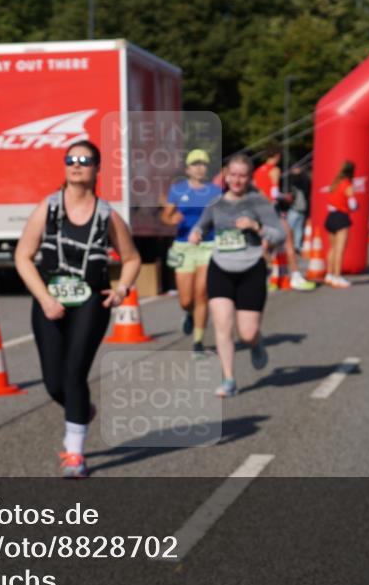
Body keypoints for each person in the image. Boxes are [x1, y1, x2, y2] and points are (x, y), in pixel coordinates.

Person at [14, 140, 141, 478]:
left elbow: (131, 259)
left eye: (85, 160)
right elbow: (23, 256)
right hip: (49, 299)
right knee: (54, 383)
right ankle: (82, 409)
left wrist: (121, 291)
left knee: (74, 374)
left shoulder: (106, 215)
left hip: (90, 301)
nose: (77, 165)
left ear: (97, 169)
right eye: (71, 159)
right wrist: (44, 298)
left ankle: (75, 454)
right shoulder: (48, 208)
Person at [189, 154, 284, 398]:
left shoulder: (259, 202)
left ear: (249, 177)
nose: (237, 180)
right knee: (222, 325)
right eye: (233, 175)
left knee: (247, 333)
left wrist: (256, 227)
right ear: (226, 175)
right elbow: (203, 224)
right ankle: (229, 378)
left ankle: (255, 342)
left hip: (251, 267)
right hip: (221, 268)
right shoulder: (216, 202)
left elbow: (279, 235)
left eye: (242, 175)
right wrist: (197, 233)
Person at [160, 149, 221, 354]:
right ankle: (188, 313)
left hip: (208, 246)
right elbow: (165, 217)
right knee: (186, 300)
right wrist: (172, 219)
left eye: (203, 164)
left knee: (202, 294)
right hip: (184, 246)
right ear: (187, 169)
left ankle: (198, 342)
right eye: (195, 164)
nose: (200, 167)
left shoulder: (215, 191)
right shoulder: (177, 190)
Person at [254, 145, 314, 291]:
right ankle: (295, 277)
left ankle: (271, 277)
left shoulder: (257, 171)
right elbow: (274, 193)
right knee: (288, 241)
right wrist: (285, 196)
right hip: (272, 209)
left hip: (259, 210)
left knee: (267, 245)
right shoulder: (274, 170)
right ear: (277, 156)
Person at [323, 161, 358, 288]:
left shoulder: (335, 183)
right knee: (340, 249)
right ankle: (337, 277)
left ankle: (329, 275)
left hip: (330, 216)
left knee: (332, 248)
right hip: (341, 217)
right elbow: (353, 205)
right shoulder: (347, 185)